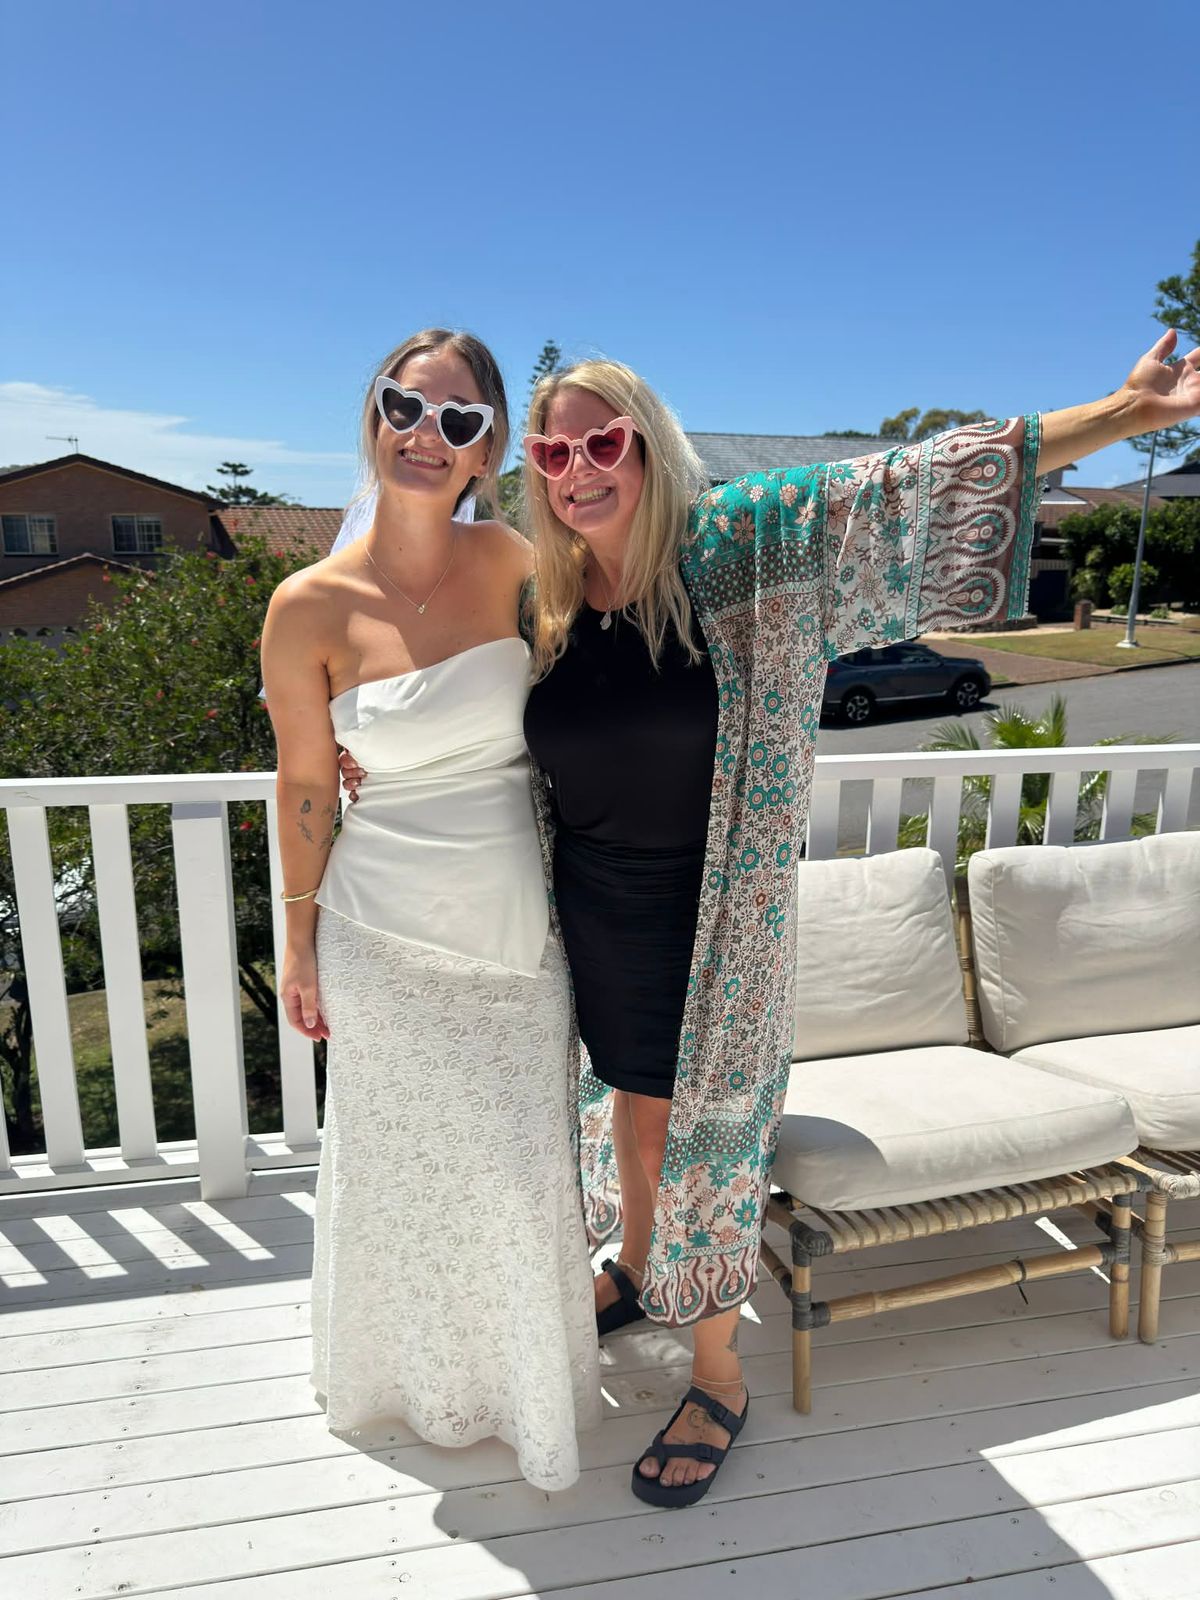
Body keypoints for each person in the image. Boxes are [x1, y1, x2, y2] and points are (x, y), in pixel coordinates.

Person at [343, 330, 1200, 1508]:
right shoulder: (544, 589)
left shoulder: (743, 547)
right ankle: (637, 1266)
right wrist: (370, 761)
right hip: (584, 910)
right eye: (552, 451)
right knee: (627, 1109)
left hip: (716, 917)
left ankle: (717, 1374)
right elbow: (445, 693)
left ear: (650, 446)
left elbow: (916, 483)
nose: (578, 468)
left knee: (701, 1139)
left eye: (604, 442)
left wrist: (1121, 413)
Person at [261, 328, 601, 1493]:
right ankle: (407, 1377)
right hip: (375, 933)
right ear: (374, 412)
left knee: (516, 1175)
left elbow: (593, 690)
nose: (425, 434)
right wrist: (297, 941)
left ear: (488, 448)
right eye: (405, 405)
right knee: (399, 1175)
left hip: (512, 933)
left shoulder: (517, 562)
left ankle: (521, 1391)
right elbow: (305, 785)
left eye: (458, 420)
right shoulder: (305, 606)